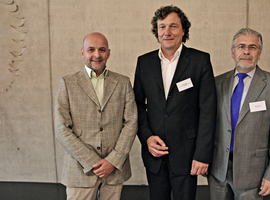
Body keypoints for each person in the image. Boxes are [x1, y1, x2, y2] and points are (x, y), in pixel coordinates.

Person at [133, 5, 217, 200]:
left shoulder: (200, 61)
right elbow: (136, 105)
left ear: (183, 30)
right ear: (156, 31)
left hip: (187, 155)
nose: (167, 32)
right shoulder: (144, 63)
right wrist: (146, 138)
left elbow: (208, 110)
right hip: (155, 154)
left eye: (173, 26)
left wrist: (202, 155)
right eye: (162, 27)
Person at [209, 28, 270, 199]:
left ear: (259, 53)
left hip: (254, 175)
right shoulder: (216, 83)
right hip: (218, 171)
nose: (246, 51)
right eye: (241, 46)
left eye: (252, 47)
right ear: (233, 52)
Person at [54, 32, 138, 200]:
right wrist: (92, 161)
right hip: (80, 170)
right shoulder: (68, 83)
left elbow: (131, 122)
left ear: (108, 53)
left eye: (102, 50)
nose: (97, 55)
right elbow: (61, 129)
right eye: (91, 50)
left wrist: (113, 160)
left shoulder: (123, 82)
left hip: (114, 170)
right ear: (82, 52)